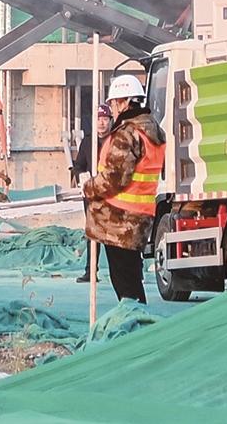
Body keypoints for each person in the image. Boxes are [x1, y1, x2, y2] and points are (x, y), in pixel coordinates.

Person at [83, 71, 165, 305]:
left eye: (113, 104)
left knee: (125, 284)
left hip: (119, 221)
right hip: (140, 218)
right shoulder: (153, 131)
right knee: (132, 279)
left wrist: (89, 187)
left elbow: (114, 178)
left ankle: (136, 322)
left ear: (124, 102)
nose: (112, 109)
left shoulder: (128, 134)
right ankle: (137, 317)